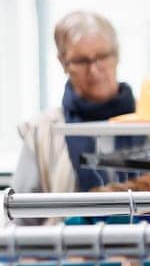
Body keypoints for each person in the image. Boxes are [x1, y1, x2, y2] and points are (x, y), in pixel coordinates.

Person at [13, 10, 139, 195]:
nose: (94, 70)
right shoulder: (42, 131)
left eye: (102, 56)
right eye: (81, 61)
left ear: (117, 54)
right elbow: (20, 214)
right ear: (63, 63)